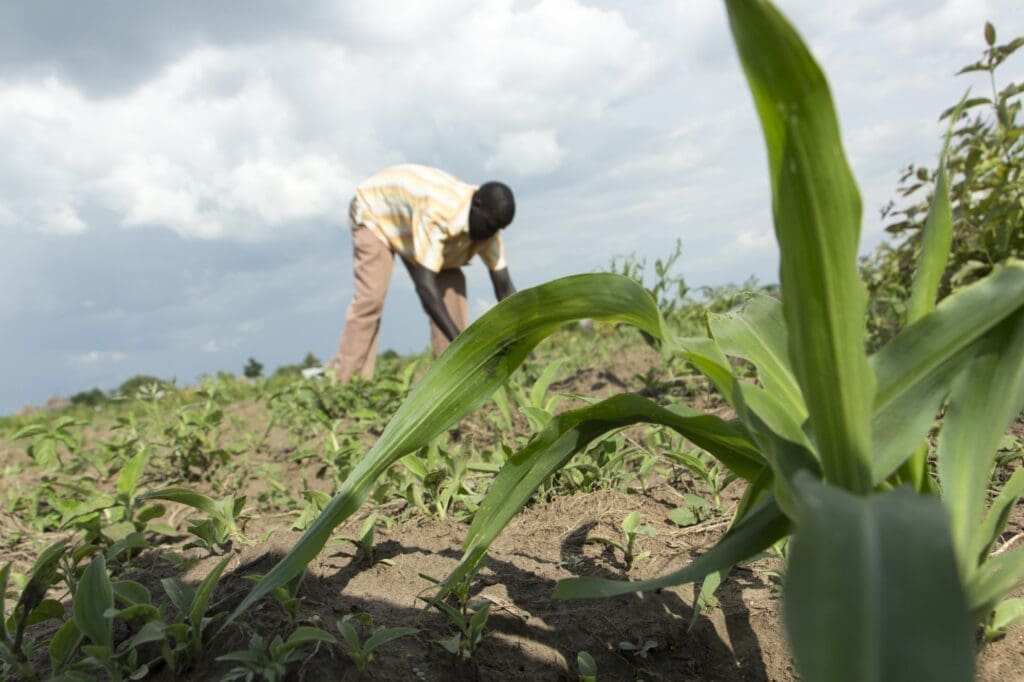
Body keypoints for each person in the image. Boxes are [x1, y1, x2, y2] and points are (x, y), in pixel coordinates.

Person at [331, 164, 517, 382]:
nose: (491, 233)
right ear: (476, 206)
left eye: (497, 229)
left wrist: (523, 338)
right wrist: (462, 344)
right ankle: (349, 383)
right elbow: (425, 286)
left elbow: (504, 288)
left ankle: (453, 377)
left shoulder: (488, 227)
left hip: (413, 223)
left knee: (450, 283)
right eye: (489, 226)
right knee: (371, 298)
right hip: (375, 213)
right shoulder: (439, 212)